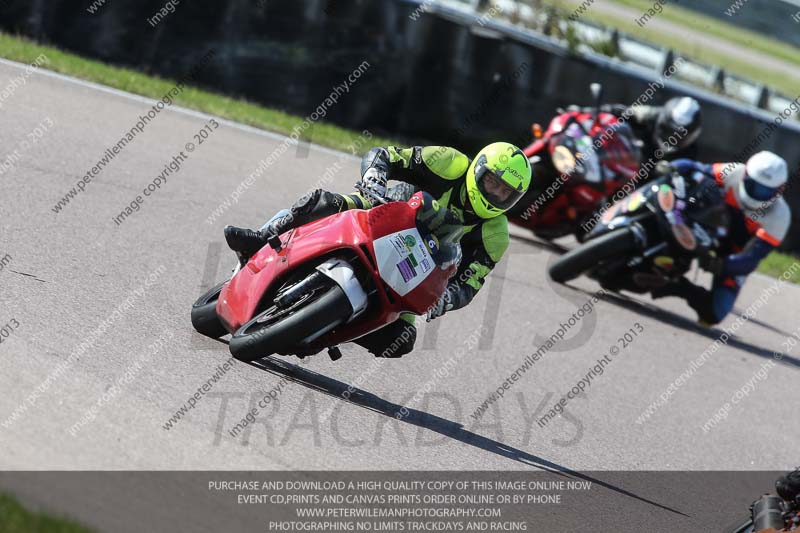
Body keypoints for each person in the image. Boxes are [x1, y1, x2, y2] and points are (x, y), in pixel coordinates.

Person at [224, 142, 532, 356]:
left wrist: (447, 299)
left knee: (400, 341)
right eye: (493, 182)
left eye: (506, 192)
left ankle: (328, 326)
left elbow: (470, 283)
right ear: (479, 170)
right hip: (385, 215)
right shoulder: (449, 160)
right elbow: (386, 155)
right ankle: (263, 237)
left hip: (415, 275)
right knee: (323, 203)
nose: (497, 193)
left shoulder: (496, 234)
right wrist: (374, 175)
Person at [651, 151, 792, 325]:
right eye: (752, 185)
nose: (757, 193)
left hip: (731, 252)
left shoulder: (780, 216)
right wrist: (673, 167)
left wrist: (722, 266)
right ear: (745, 174)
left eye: (765, 191)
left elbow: (752, 258)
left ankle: (676, 285)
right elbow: (694, 168)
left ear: (780, 190)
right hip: (702, 227)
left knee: (715, 313)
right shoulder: (733, 171)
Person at [602, 96, 702, 162]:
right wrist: (608, 110)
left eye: (678, 134)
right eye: (668, 130)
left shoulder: (689, 154)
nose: (670, 136)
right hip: (623, 162)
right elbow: (627, 112)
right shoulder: (650, 115)